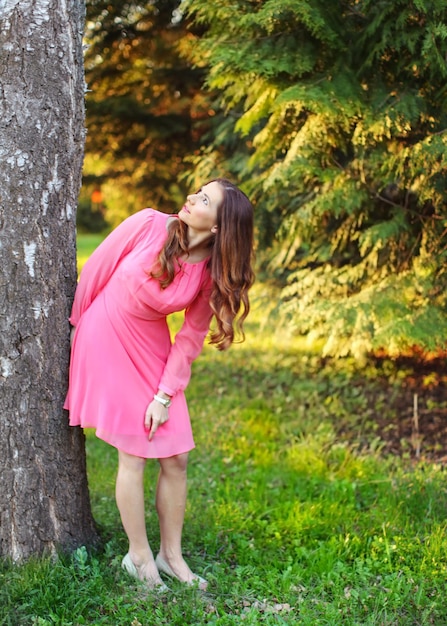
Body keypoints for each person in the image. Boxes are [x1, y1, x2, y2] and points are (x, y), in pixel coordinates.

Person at [64, 178, 255, 591]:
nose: (190, 198)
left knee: (177, 457)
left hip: (153, 345)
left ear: (220, 225)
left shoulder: (209, 271)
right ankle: (138, 557)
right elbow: (96, 269)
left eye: (204, 199)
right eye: (196, 192)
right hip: (106, 332)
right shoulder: (149, 224)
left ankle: (171, 556)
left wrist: (165, 394)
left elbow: (190, 336)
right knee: (134, 452)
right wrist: (76, 328)